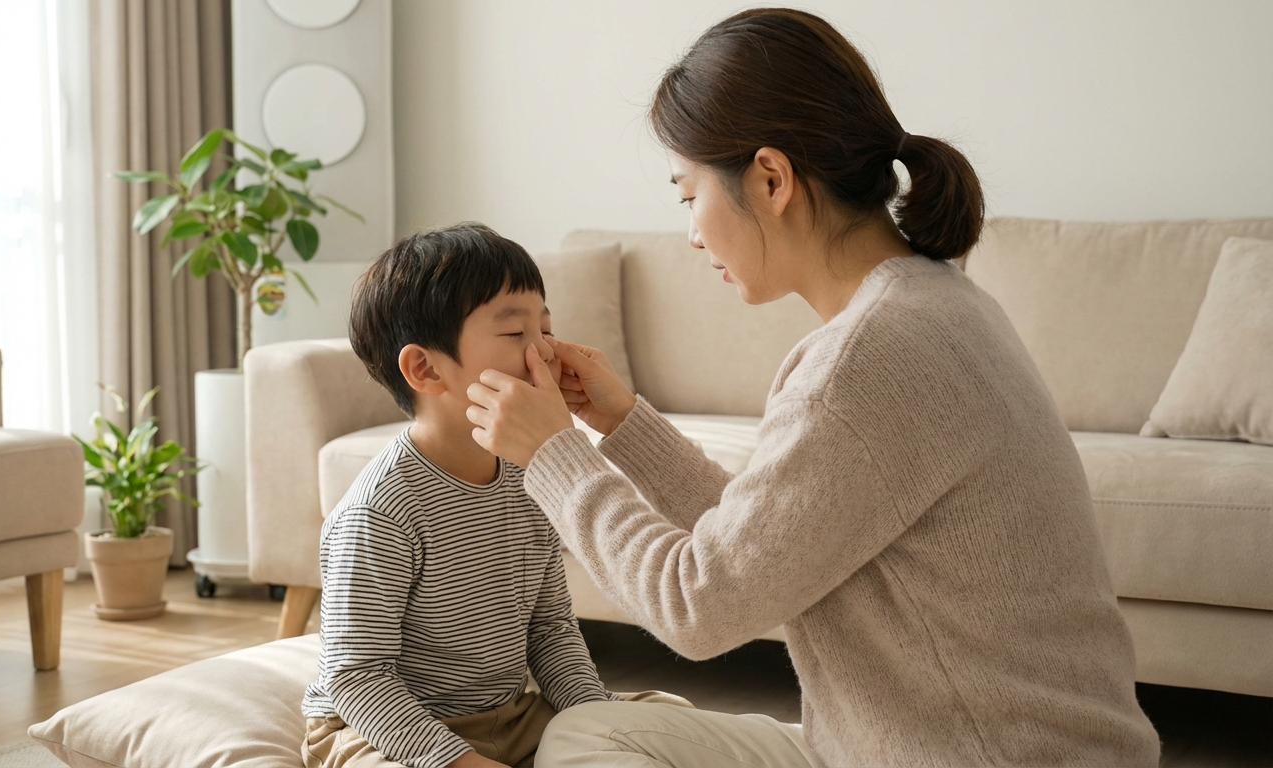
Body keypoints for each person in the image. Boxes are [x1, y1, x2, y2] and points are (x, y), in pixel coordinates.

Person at [465, 8, 1162, 767]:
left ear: (771, 178)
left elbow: (696, 606)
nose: (692, 233)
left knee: (586, 749)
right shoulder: (935, 302)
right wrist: (624, 424)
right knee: (591, 732)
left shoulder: (864, 359)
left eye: (687, 194)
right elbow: (766, 546)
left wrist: (556, 458)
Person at [300, 223, 686, 768]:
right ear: (425, 369)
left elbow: (550, 629)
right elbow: (356, 677)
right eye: (514, 335)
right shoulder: (380, 511)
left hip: (509, 715)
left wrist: (600, 721)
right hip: (380, 729)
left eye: (546, 329)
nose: (546, 354)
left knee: (669, 722)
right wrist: (458, 761)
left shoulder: (534, 475)